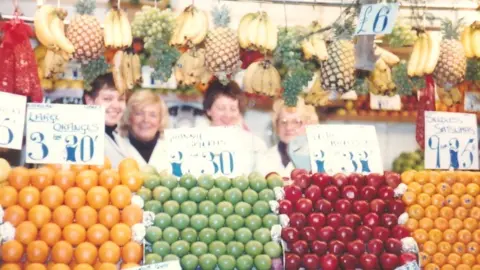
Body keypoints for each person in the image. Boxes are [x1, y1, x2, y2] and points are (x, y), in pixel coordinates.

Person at [203, 80, 267, 172]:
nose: (228, 115)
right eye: (221, 108)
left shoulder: (255, 145)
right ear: (208, 110)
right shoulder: (195, 144)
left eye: (233, 109)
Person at [255, 97, 319, 177]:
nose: (288, 127)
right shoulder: (263, 158)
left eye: (296, 122)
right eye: (283, 122)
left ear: (309, 124)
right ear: (276, 126)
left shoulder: (318, 158)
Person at [117, 89, 171, 173]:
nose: (146, 120)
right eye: (139, 113)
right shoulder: (116, 146)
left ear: (161, 119)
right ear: (129, 117)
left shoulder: (172, 148)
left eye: (153, 115)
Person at [83, 73, 126, 169]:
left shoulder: (114, 133)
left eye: (121, 99)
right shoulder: (84, 138)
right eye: (107, 99)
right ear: (90, 101)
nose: (116, 105)